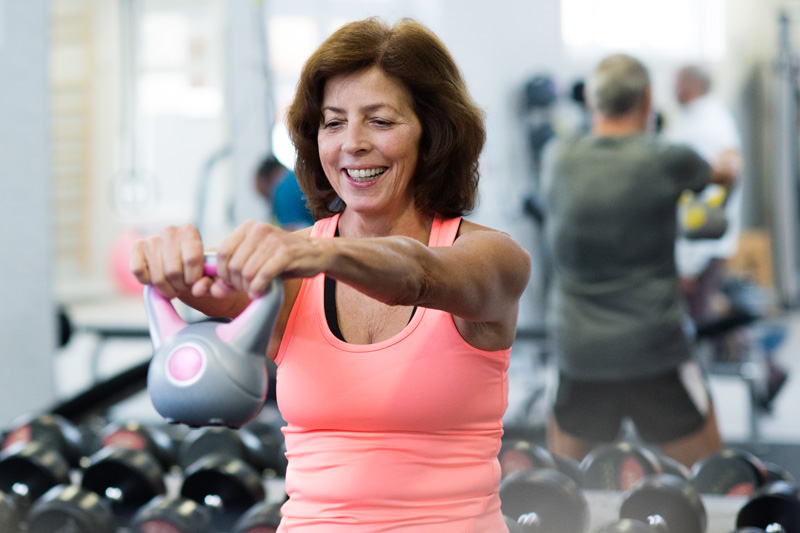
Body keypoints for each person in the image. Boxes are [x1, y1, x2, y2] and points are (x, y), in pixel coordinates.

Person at [130, 17, 531, 532]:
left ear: (433, 134)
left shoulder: (491, 258)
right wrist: (175, 270)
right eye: (333, 122)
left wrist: (324, 253)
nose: (353, 144)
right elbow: (215, 299)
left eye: (380, 121)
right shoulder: (292, 270)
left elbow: (419, 273)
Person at [541, 54, 734, 468]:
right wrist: (729, 177)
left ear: (593, 102)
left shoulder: (556, 157)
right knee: (712, 485)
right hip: (654, 348)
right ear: (648, 100)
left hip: (580, 351)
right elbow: (720, 174)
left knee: (562, 492)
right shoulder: (667, 158)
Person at [663, 65, 744, 325]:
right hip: (701, 244)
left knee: (698, 325)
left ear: (690, 85)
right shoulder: (702, 119)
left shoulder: (706, 127)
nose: (672, 88)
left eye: (676, 81)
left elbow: (706, 197)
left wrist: (690, 263)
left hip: (700, 246)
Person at [254, 154, 315, 230]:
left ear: (266, 181)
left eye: (266, 196)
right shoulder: (296, 177)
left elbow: (290, 230)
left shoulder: (282, 190)